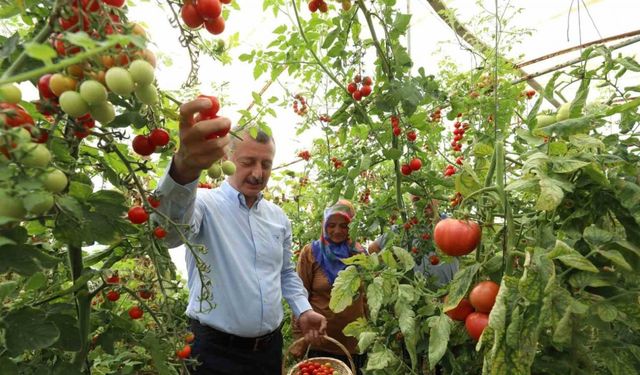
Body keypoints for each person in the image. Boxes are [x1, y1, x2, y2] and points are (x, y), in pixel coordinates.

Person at [155, 98, 327, 374]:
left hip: (268, 351)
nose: (258, 173)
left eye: (266, 164)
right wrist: (184, 169)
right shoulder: (203, 205)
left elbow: (284, 273)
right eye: (248, 162)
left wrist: (303, 309)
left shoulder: (277, 218)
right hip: (213, 352)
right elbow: (167, 234)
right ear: (227, 159)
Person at [291, 199, 368, 374]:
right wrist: (300, 337)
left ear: (351, 227)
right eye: (331, 225)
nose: (337, 231)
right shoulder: (311, 253)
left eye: (344, 225)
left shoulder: (359, 254)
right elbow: (299, 294)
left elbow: (365, 298)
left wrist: (369, 333)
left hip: (353, 341)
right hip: (319, 338)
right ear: (324, 225)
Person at [368, 197, 458, 287]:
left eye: (426, 196)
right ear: (412, 204)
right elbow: (372, 248)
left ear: (437, 198)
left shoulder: (453, 226)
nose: (423, 202)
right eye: (416, 200)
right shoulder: (401, 229)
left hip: (448, 294)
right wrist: (393, 265)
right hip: (414, 295)